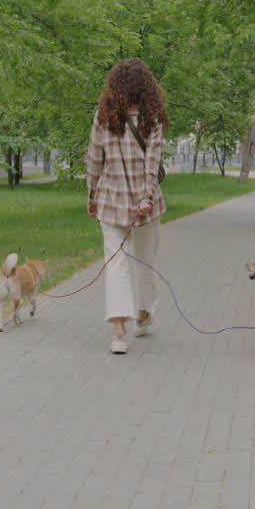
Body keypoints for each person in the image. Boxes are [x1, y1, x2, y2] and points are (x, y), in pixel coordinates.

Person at [86, 57, 167, 354]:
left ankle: (119, 332)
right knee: (145, 261)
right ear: (146, 87)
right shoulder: (152, 118)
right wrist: (146, 196)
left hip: (110, 199)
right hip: (144, 205)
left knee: (115, 264)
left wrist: (92, 195)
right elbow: (152, 162)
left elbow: (94, 158)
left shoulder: (103, 115)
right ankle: (143, 314)